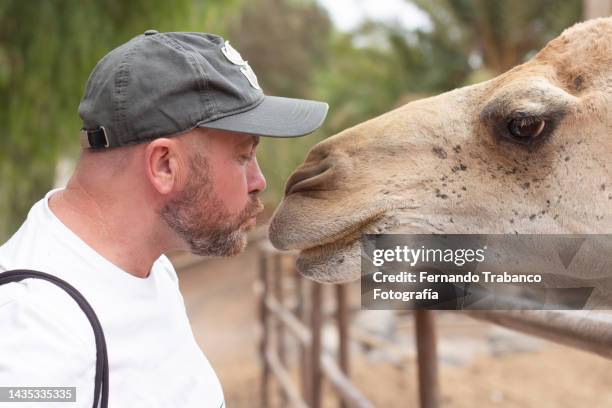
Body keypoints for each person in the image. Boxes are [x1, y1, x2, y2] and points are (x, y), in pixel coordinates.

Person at [0, 30, 327, 407]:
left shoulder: (148, 267)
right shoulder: (34, 338)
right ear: (165, 165)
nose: (259, 181)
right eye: (243, 156)